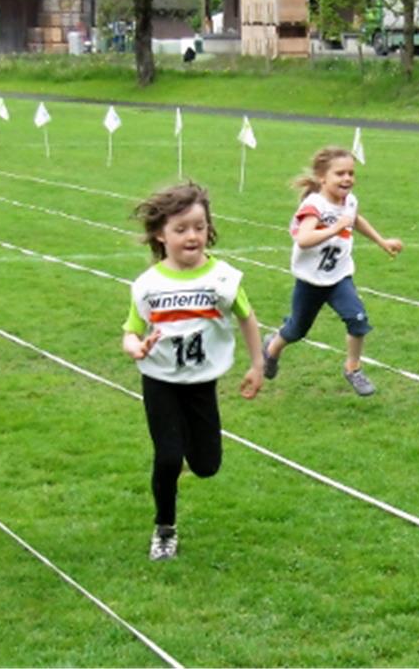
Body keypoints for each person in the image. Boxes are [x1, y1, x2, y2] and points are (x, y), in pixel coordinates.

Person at [122, 182, 264, 561]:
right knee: (169, 458)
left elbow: (247, 318)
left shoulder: (223, 279)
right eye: (181, 229)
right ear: (160, 234)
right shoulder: (148, 285)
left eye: (199, 227)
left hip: (201, 383)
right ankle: (164, 528)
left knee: (206, 466)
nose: (192, 236)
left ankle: (183, 442)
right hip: (160, 380)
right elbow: (131, 331)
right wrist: (135, 347)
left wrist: (257, 364)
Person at [261, 147, 403, 397]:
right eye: (340, 173)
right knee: (296, 330)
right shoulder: (314, 205)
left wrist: (382, 241)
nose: (347, 178)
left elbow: (355, 219)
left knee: (358, 319)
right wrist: (335, 228)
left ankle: (353, 369)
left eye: (351, 173)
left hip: (339, 277)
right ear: (322, 177)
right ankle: (271, 349)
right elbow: (303, 239)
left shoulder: (350, 201)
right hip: (310, 281)